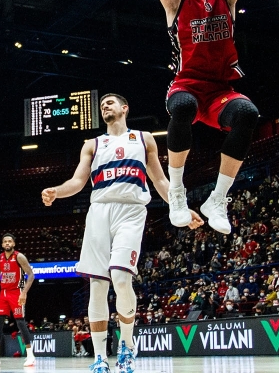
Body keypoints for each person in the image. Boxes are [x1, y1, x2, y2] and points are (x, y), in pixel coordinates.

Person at [41, 93, 203, 373]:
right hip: (99, 212)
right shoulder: (91, 144)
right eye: (102, 104)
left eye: (110, 102)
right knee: (98, 286)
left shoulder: (143, 138)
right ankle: (101, 357)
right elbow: (78, 181)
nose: (105, 105)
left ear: (125, 108)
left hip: (130, 211)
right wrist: (58, 191)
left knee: (120, 277)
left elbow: (160, 180)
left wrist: (182, 209)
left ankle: (127, 345)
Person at [147, 0, 260, 234]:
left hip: (220, 91)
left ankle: (217, 198)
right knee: (182, 106)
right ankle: (178, 191)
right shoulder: (175, 1)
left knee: (248, 114)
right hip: (186, 86)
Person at [0, 234, 35, 367]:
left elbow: (31, 275)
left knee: (20, 323)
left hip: (16, 292)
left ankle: (30, 356)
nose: (7, 243)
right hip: (3, 293)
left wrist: (24, 292)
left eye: (10, 241)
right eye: (5, 241)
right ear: (2, 244)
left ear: (14, 244)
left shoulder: (19, 257)